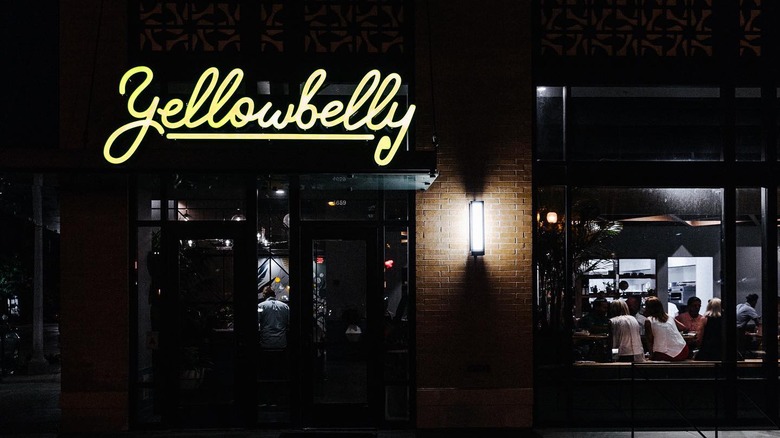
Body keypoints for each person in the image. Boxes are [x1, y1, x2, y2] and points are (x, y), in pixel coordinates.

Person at [643, 296, 689, 361]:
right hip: (683, 350)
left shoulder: (649, 321)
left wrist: (651, 356)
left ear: (648, 308)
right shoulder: (669, 316)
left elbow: (649, 341)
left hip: (666, 353)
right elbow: (683, 327)